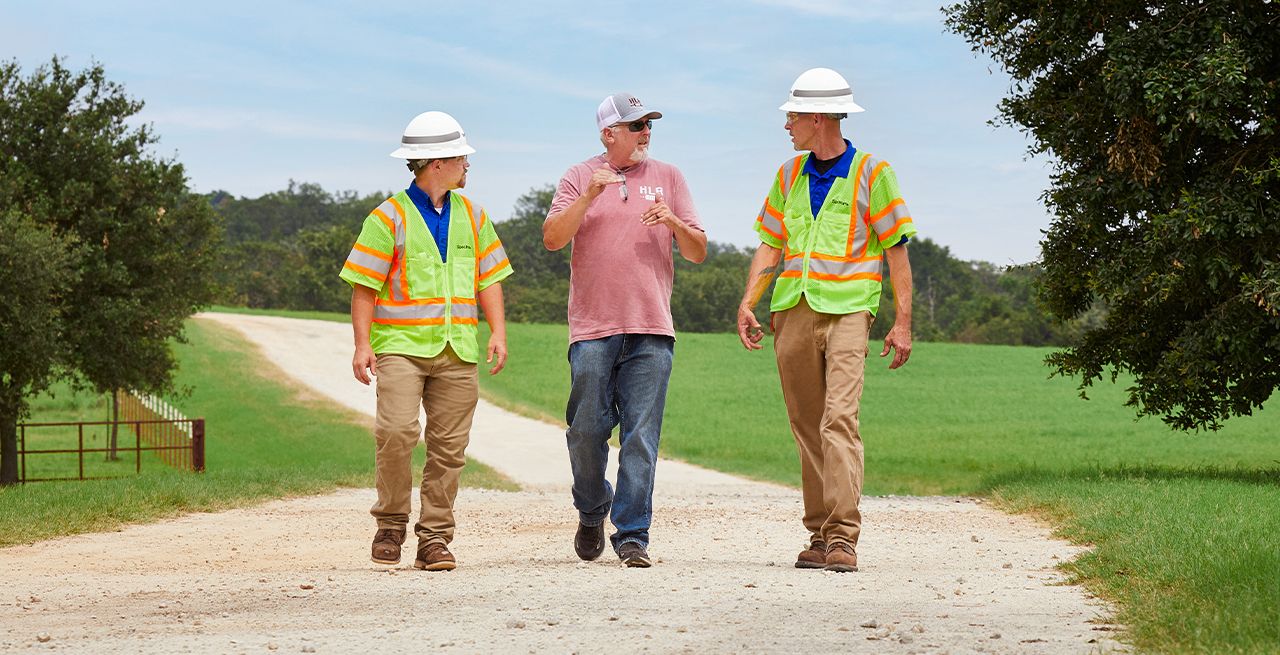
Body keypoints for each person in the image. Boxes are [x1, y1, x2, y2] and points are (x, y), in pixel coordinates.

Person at [736, 68, 917, 573]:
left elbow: (897, 252)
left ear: (817, 118)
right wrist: (749, 300)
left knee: (839, 419)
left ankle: (842, 537)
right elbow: (771, 243)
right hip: (791, 310)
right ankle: (818, 534)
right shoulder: (788, 174)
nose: (787, 124)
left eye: (792, 115)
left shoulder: (873, 175)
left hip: (848, 312)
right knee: (806, 425)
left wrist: (902, 323)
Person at [340, 111, 513, 572]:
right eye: (462, 157)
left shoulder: (474, 216)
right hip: (400, 347)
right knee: (396, 434)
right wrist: (362, 345)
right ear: (436, 162)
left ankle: (434, 538)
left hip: (458, 350)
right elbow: (363, 287)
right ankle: (391, 524)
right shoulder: (387, 218)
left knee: (449, 450)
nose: (468, 165)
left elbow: (490, 278)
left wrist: (497, 330)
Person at [543, 93, 707, 567]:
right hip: (593, 329)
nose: (646, 134)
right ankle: (592, 509)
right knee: (586, 430)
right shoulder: (578, 177)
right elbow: (553, 239)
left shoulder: (669, 178)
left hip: (652, 327)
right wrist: (592, 195)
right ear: (608, 133)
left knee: (640, 436)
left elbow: (697, 251)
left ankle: (633, 534)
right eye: (636, 127)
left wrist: (674, 221)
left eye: (648, 125)